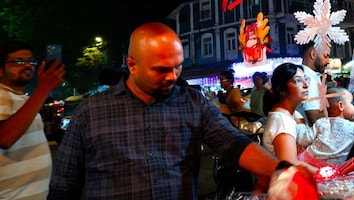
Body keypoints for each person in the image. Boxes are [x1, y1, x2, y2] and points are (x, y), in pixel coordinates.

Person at [48, 22, 313, 199]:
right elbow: (64, 185)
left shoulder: (192, 103)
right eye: (160, 69)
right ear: (132, 65)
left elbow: (233, 144)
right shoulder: (91, 111)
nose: (172, 76)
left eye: (177, 66)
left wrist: (281, 171)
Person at [0, 41, 65, 200]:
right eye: (18, 61)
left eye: (31, 61)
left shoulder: (24, 100)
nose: (27, 65)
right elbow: (4, 137)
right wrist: (44, 88)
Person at [296, 42, 331, 126]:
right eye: (325, 56)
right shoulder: (309, 78)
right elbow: (314, 117)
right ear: (313, 54)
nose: (328, 61)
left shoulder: (308, 75)